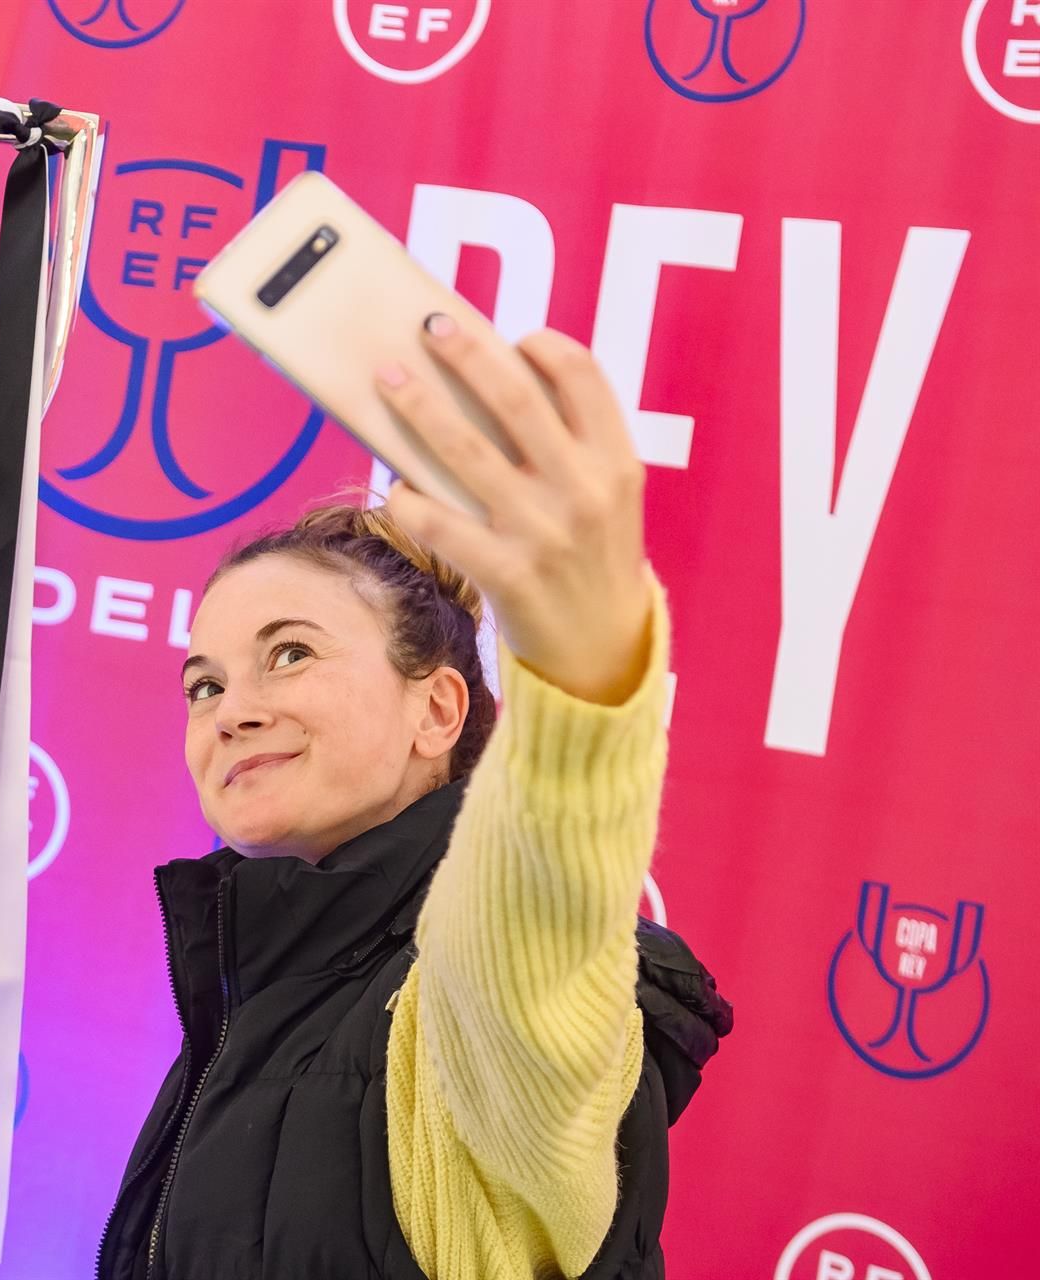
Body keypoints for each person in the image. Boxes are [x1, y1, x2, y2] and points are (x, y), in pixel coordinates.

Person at [97, 315, 733, 1280]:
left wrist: (588, 665)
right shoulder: (266, 978)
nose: (230, 713)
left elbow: (539, 895)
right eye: (206, 683)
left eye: (292, 653)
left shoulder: (467, 992)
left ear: (437, 709)